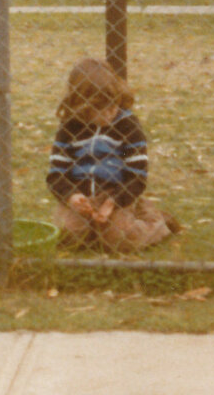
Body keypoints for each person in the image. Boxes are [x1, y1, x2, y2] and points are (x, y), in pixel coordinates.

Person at [47, 58, 175, 253]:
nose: (109, 113)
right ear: (81, 106)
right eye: (100, 109)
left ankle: (154, 220)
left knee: (119, 241)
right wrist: (71, 196)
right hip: (80, 195)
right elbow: (56, 174)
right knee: (68, 236)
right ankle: (93, 229)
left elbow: (137, 174)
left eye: (113, 106)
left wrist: (113, 201)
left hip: (115, 193)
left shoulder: (127, 126)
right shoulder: (70, 128)